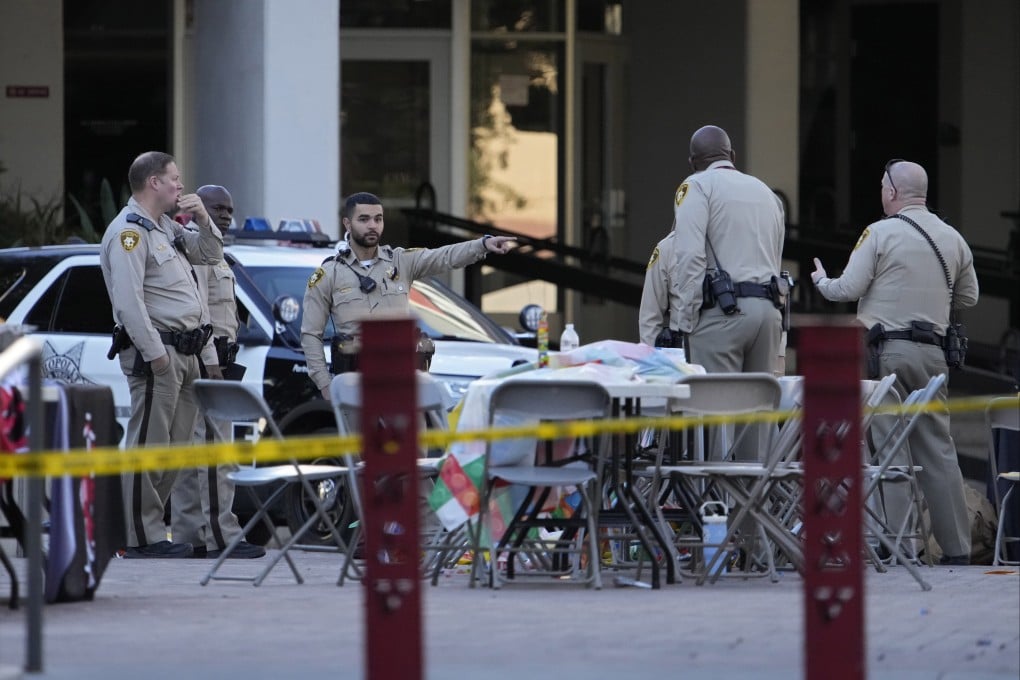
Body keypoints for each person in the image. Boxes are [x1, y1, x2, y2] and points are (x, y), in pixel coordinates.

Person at [810, 159, 979, 565]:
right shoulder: (953, 238)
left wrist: (820, 281)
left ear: (892, 192)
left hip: (886, 353)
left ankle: (899, 546)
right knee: (938, 449)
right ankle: (957, 549)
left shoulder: (880, 233)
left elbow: (846, 289)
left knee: (889, 447)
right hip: (934, 354)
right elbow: (969, 296)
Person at [99, 151, 222, 558]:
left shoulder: (166, 228)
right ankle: (138, 538)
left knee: (175, 447)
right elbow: (129, 302)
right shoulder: (129, 233)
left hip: (187, 352)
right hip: (158, 353)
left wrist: (204, 220)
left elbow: (209, 254)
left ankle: (150, 528)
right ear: (154, 182)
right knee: (149, 444)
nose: (181, 186)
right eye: (175, 178)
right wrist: (156, 356)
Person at [301, 192, 516, 400]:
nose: (373, 225)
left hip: (402, 385)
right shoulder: (330, 274)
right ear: (347, 224)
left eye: (378, 219)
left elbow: (444, 256)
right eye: (364, 219)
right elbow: (310, 334)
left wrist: (482, 245)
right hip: (355, 388)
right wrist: (325, 385)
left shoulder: (401, 261)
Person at [170, 185, 265, 559]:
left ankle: (191, 536)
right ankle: (222, 536)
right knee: (215, 453)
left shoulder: (214, 251)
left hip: (212, 361)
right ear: (200, 208)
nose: (226, 215)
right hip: (208, 363)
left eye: (230, 209)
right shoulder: (200, 251)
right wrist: (212, 363)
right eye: (218, 208)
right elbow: (200, 315)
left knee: (194, 454)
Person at [667, 125, 786, 376]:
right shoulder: (767, 193)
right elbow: (776, 262)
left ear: (692, 163)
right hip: (768, 314)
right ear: (732, 156)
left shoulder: (696, 186)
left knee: (717, 399)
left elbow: (690, 256)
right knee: (760, 399)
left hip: (722, 314)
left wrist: (686, 321)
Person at [638, 231, 683, 348]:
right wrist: (650, 356)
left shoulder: (726, 244)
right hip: (683, 352)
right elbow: (649, 318)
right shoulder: (668, 247)